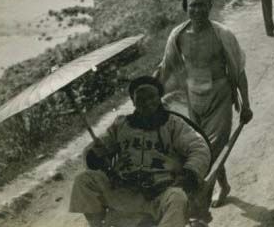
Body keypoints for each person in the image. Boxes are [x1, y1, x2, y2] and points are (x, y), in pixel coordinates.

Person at [155, 0, 253, 221]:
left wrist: (246, 103)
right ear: (186, 8)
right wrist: (148, 94)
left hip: (219, 98)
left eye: (202, 5)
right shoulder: (177, 36)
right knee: (201, 150)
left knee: (210, 152)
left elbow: (238, 71)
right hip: (192, 99)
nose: (197, 9)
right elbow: (165, 67)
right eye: (193, 5)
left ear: (210, 7)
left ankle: (199, 210)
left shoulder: (223, 35)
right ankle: (224, 185)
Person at [69, 76, 211, 227]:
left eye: (151, 97)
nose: (147, 103)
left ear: (159, 96)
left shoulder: (173, 124)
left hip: (159, 193)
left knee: (177, 198)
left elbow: (199, 147)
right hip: (125, 192)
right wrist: (95, 154)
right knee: (84, 180)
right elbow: (98, 147)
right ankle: (96, 225)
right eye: (141, 99)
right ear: (133, 101)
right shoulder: (121, 124)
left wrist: (187, 175)